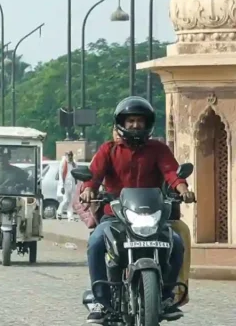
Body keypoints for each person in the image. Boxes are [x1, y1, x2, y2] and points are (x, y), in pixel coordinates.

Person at [80, 96, 196, 324]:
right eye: (131, 120)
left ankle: (166, 298)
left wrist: (183, 189)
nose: (135, 125)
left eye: (139, 121)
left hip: (152, 217)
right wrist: (88, 189)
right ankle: (101, 301)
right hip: (115, 217)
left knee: (177, 243)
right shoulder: (109, 149)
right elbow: (93, 176)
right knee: (95, 243)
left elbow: (171, 172)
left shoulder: (158, 149)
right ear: (121, 123)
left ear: (147, 123)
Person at [56, 151, 78, 221]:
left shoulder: (74, 163)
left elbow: (76, 172)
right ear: (66, 155)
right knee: (65, 200)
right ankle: (59, 212)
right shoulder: (63, 163)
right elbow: (61, 175)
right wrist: (62, 186)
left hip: (72, 183)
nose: (70, 156)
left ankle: (70, 216)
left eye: (71, 155)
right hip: (65, 184)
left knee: (71, 201)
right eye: (68, 155)